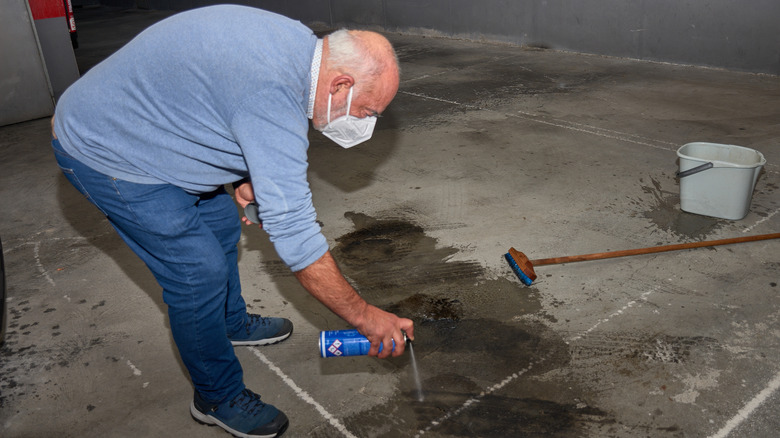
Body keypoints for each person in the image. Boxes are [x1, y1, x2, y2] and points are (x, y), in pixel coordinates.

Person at [50, 5, 414, 438]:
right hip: (107, 151)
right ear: (340, 83)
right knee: (195, 271)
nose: (364, 124)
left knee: (222, 225)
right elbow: (295, 231)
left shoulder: (303, 47)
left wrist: (245, 173)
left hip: (150, 126)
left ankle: (227, 323)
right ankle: (215, 397)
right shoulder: (271, 97)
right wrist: (363, 316)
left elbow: (218, 92)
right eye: (365, 112)